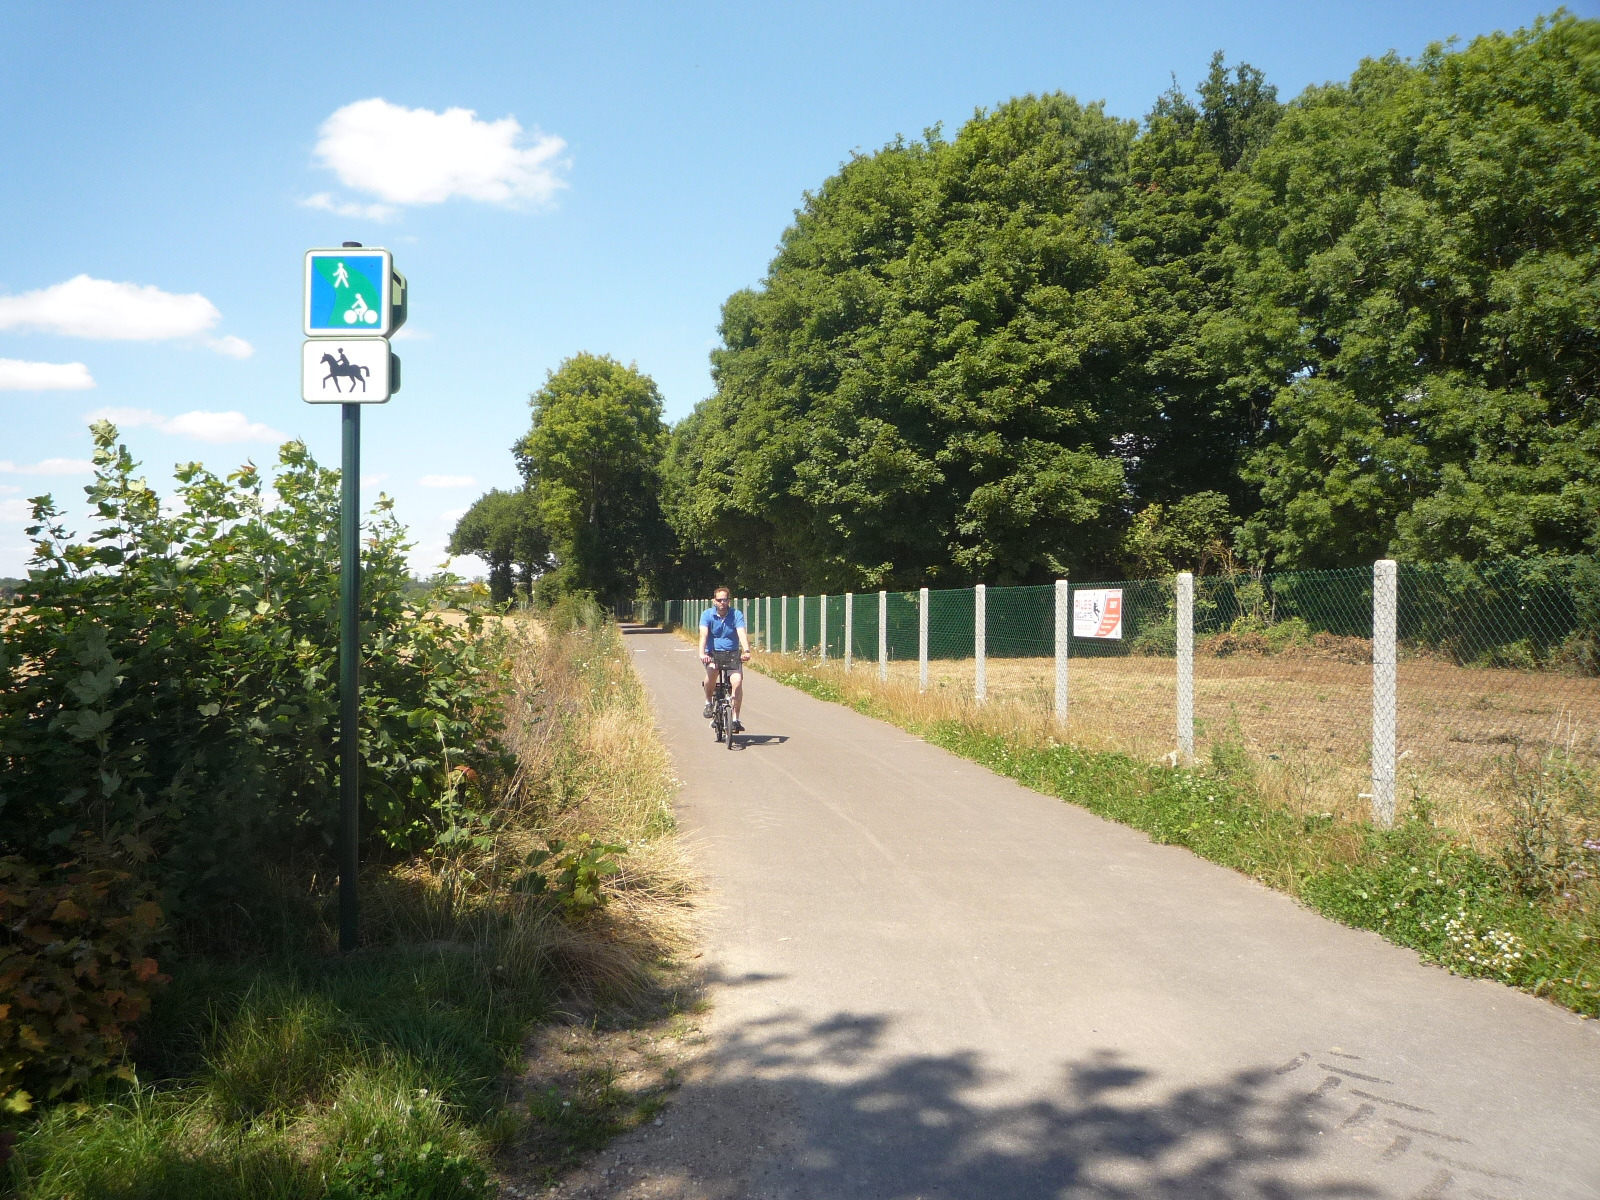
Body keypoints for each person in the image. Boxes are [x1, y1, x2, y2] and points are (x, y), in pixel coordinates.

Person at [699, 587, 751, 731]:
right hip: (713, 653)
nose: (722, 602)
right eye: (719, 600)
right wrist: (702, 653)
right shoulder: (707, 615)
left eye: (725, 599)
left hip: (732, 654)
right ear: (714, 601)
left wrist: (746, 651)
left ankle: (735, 719)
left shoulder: (736, 615)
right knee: (712, 672)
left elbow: (741, 633)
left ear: (729, 600)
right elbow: (703, 635)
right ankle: (708, 702)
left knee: (737, 681)